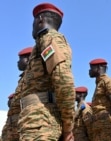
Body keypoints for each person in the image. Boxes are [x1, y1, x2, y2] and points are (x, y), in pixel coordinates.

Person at [18, 3, 75, 141]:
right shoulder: (41, 43)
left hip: (42, 121)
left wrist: (68, 128)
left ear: (40, 20)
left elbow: (64, 80)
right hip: (36, 120)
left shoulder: (49, 38)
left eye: (33, 21)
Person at [1, 46, 33, 141]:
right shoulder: (23, 79)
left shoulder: (33, 76)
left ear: (28, 59)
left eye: (20, 59)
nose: (17, 62)